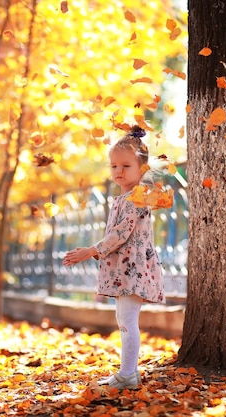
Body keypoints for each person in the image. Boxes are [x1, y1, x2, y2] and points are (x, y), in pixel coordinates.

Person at [63, 125, 164, 390]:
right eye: (114, 166)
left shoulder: (138, 198)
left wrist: (90, 250)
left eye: (126, 166)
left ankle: (129, 374)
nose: (118, 171)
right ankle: (126, 372)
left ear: (141, 168)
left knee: (128, 322)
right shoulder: (122, 197)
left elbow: (121, 234)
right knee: (124, 321)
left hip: (134, 269)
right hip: (124, 269)